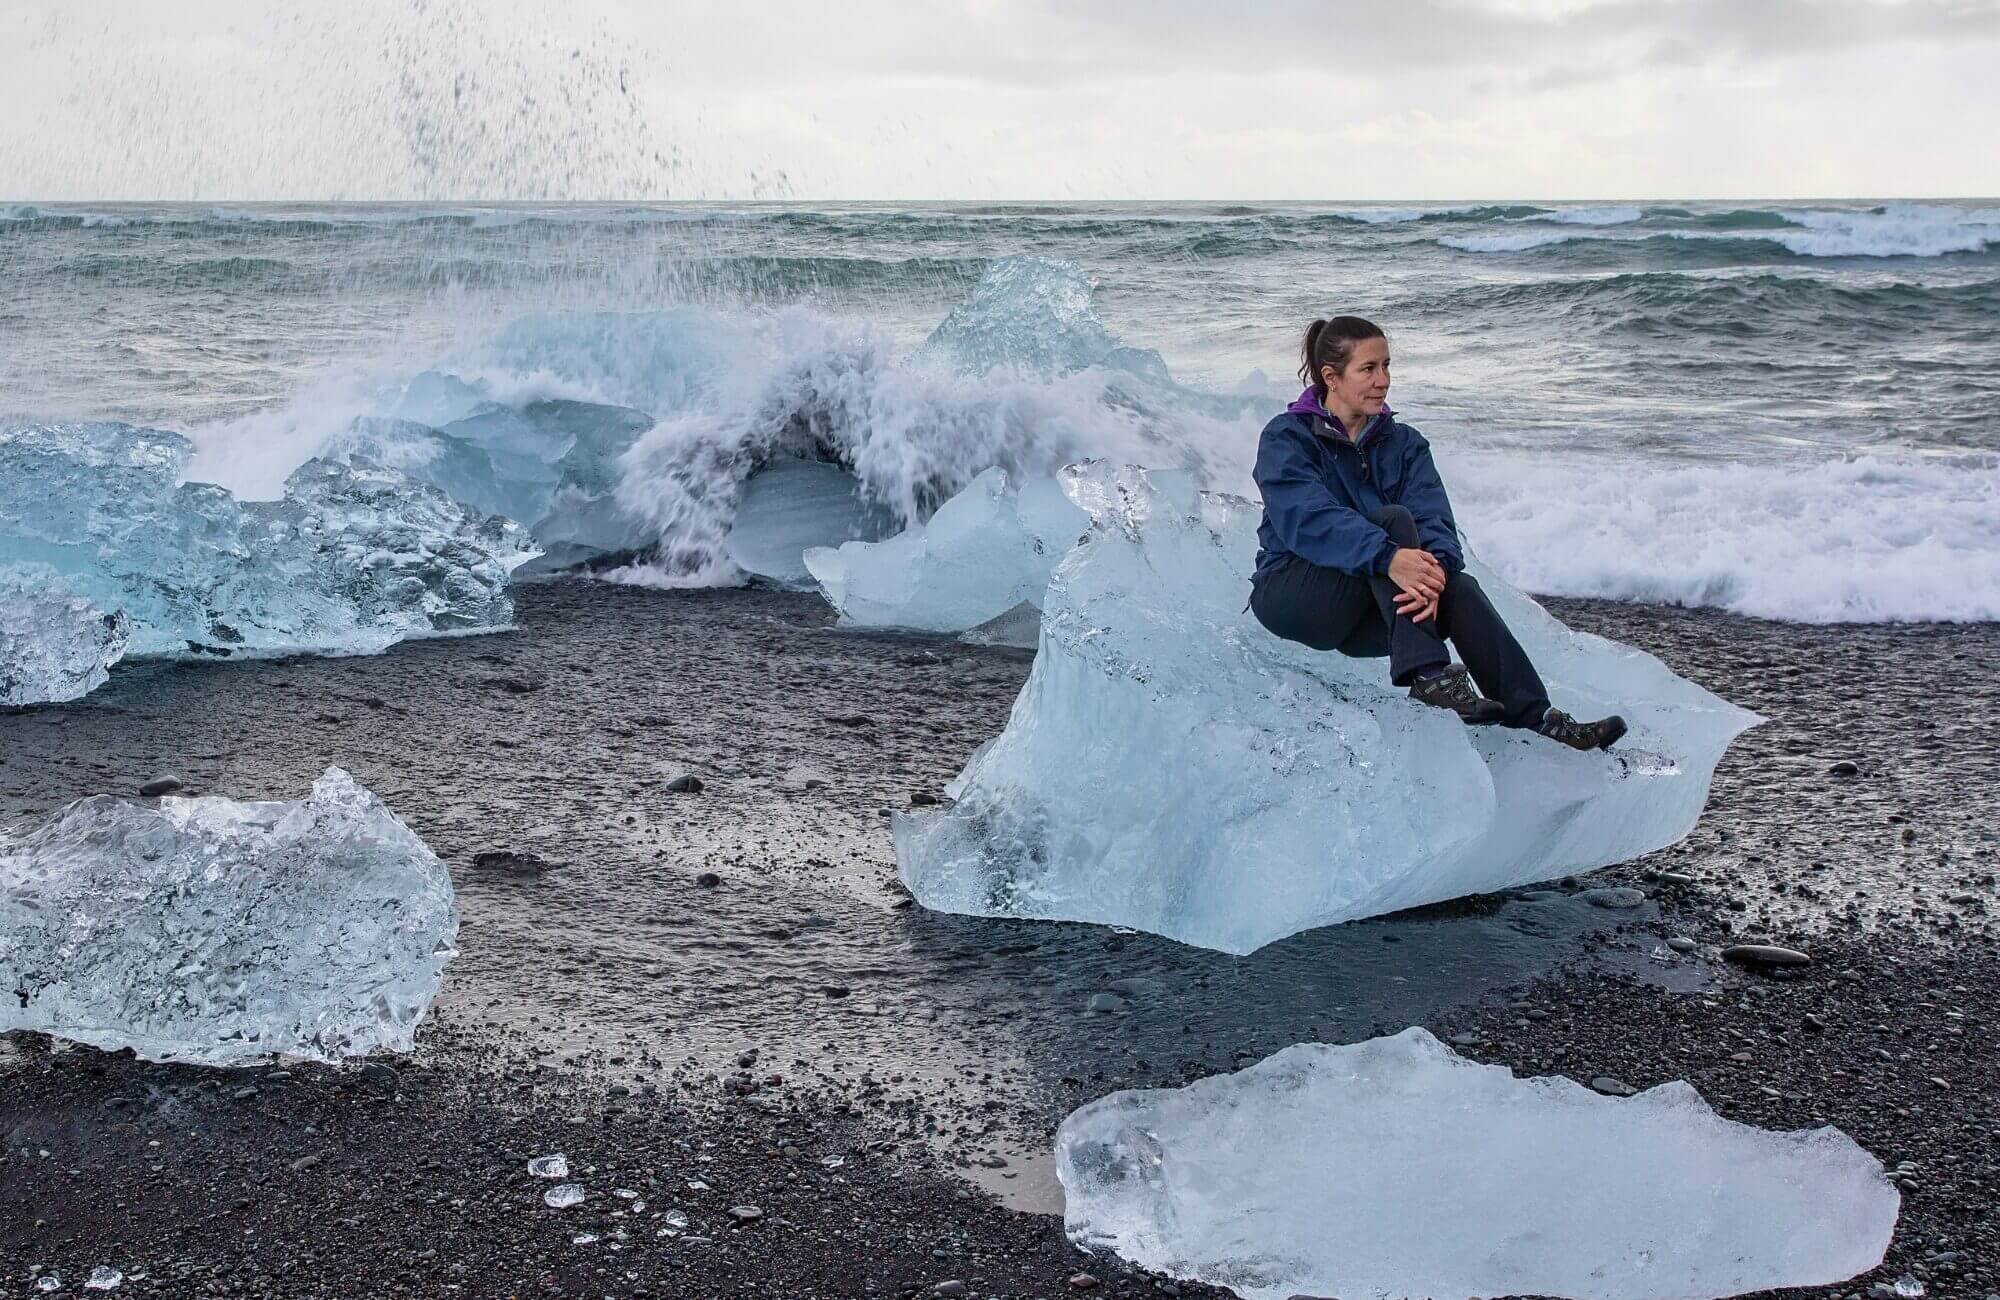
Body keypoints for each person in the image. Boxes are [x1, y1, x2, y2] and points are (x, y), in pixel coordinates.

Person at [1249, 315, 1626, 751]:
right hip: (1295, 595)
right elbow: (1306, 520)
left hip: (1373, 610)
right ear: (1331, 377)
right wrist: (1391, 557)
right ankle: (1429, 676)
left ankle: (1537, 722)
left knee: (1459, 589)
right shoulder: (1287, 438)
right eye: (1368, 369)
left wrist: (1435, 575)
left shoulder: (1404, 444)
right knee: (1392, 521)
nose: (1383, 380)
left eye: (1387, 366)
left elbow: (1437, 524)